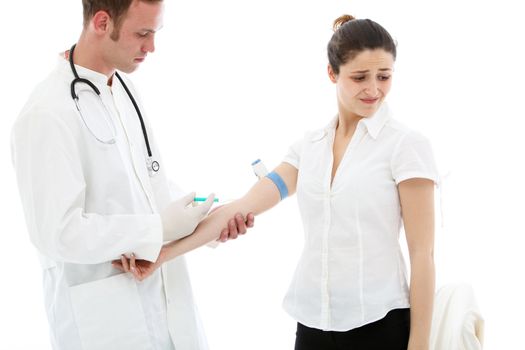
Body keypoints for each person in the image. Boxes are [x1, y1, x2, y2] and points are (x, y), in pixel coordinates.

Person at [117, 14, 439, 350]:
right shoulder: (309, 149)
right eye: (360, 77)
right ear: (332, 73)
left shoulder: (406, 146)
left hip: (380, 324)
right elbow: (242, 206)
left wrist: (419, 344)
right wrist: (161, 255)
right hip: (313, 323)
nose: (374, 89)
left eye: (384, 76)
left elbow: (423, 254)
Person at [10, 1, 254, 349]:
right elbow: (56, 232)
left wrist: (204, 220)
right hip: (107, 326)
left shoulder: (122, 89)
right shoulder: (46, 113)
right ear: (102, 22)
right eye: (143, 33)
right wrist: (157, 230)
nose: (152, 47)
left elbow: (146, 182)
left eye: (155, 33)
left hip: (167, 310)